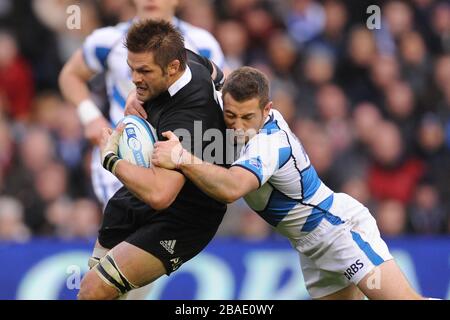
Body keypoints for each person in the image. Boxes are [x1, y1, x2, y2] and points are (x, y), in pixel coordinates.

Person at [149, 66, 426, 300]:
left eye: (248, 118)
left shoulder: (269, 144)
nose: (237, 126)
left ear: (267, 109)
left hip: (338, 230)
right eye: (231, 116)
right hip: (310, 245)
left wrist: (181, 157)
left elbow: (231, 188)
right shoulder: (238, 109)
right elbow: (201, 66)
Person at [76, 20, 227, 300]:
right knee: (99, 293)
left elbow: (160, 195)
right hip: (138, 194)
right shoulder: (187, 59)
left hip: (184, 217)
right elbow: (216, 72)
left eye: (143, 71)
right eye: (132, 69)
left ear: (172, 68)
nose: (134, 78)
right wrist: (137, 92)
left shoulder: (190, 117)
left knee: (94, 290)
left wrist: (110, 159)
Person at [59, 0, 225, 206]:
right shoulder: (107, 39)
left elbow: (218, 94)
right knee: (123, 229)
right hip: (123, 152)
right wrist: (91, 118)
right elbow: (70, 75)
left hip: (176, 157)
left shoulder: (202, 43)